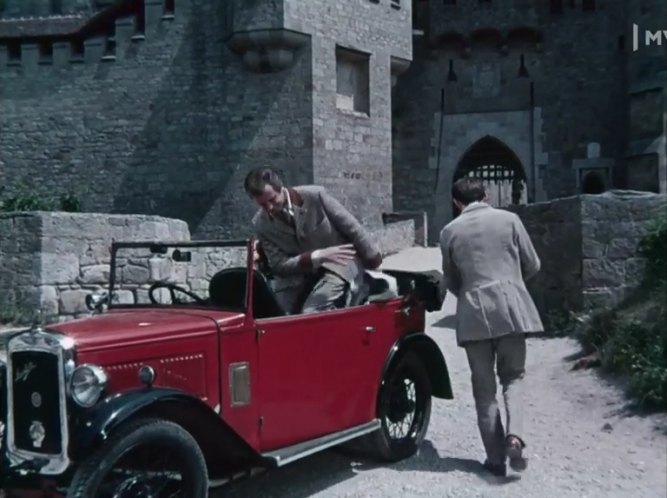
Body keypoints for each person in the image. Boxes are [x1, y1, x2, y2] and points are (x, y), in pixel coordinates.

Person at [439, 177, 544, 477]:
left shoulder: (449, 231)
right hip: (510, 308)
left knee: (483, 389)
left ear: (457, 202)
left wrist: (471, 293)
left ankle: (495, 458)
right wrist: (512, 283)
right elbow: (533, 263)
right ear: (486, 195)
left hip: (473, 312)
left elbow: (451, 278)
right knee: (514, 376)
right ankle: (515, 435)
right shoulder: (510, 219)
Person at [244, 167, 383, 314]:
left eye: (272, 199)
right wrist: (316, 257)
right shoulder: (261, 224)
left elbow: (351, 227)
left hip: (340, 264)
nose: (269, 207)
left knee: (311, 311)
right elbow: (279, 265)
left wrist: (374, 260)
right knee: (277, 316)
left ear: (281, 189)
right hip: (297, 277)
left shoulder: (315, 196)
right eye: (262, 204)